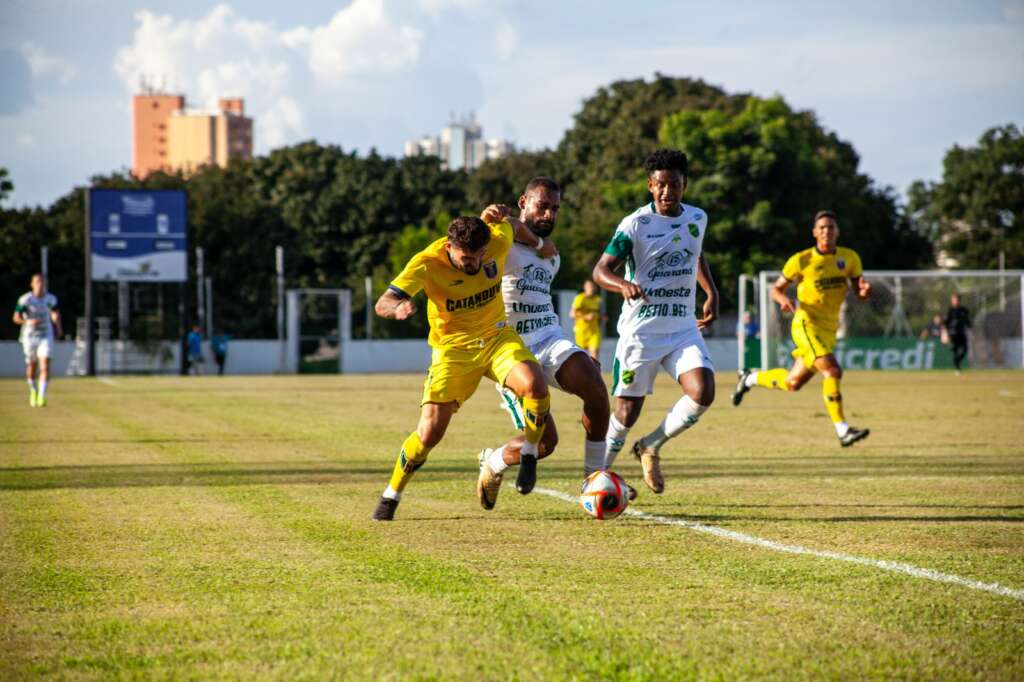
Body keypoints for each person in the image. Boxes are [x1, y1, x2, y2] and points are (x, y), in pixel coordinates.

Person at [371, 214, 555, 521]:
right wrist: (398, 307)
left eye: (478, 256)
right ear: (449, 246)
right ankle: (392, 493)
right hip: (453, 352)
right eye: (465, 258)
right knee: (429, 434)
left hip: (497, 338)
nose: (473, 264)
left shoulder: (496, 239)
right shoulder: (427, 262)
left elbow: (512, 224)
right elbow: (383, 302)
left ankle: (529, 454)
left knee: (535, 383)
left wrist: (538, 243)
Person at [477, 178, 621, 510]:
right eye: (542, 205)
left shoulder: (552, 256)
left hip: (549, 338)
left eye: (554, 208)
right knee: (544, 444)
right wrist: (495, 222)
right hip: (509, 351)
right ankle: (494, 462)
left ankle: (593, 478)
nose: (549, 213)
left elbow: (540, 300)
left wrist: (540, 244)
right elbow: (491, 233)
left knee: (597, 392)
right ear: (523, 201)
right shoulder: (502, 243)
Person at [592, 148, 719, 494]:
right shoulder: (635, 224)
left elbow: (695, 255)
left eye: (674, 185)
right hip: (641, 331)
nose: (667, 192)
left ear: (684, 185)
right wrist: (623, 284)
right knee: (626, 412)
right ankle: (596, 476)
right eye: (661, 185)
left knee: (703, 391)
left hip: (681, 327)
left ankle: (651, 445)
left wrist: (710, 292)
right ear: (650, 185)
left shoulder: (697, 218)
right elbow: (601, 270)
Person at [731, 211, 872, 447]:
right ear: (815, 232)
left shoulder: (850, 259)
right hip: (806, 324)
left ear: (837, 232)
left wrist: (865, 292)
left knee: (792, 383)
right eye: (822, 227)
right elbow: (775, 289)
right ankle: (843, 430)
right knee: (833, 371)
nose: (827, 231)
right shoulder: (801, 260)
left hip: (828, 329)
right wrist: (782, 299)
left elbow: (859, 290)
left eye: (831, 227)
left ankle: (749, 378)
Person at [13, 273, 62, 407]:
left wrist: (58, 326)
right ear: (32, 284)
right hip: (29, 336)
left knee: (45, 364)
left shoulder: (50, 299)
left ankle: (41, 396)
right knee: (32, 366)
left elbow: (55, 313)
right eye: (37, 282)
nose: (40, 285)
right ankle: (33, 391)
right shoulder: (25, 300)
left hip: (46, 334)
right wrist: (28, 321)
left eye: (42, 282)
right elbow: (16, 318)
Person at [570, 280, 604, 361]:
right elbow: (571, 315)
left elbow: (598, 314)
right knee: (582, 356)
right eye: (589, 287)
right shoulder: (580, 298)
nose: (591, 288)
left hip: (594, 331)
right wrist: (585, 317)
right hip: (581, 331)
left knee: (595, 353)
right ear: (585, 288)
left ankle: (596, 373)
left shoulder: (598, 299)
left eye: (593, 286)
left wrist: (601, 317)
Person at [945, 293, 971, 373]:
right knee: (955, 351)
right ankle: (957, 368)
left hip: (961, 332)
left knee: (965, 349)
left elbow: (967, 321)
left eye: (955, 299)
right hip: (953, 333)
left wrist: (970, 326)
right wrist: (946, 334)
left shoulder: (964, 310)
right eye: (953, 299)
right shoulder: (950, 310)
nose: (954, 301)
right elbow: (946, 322)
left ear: (959, 300)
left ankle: (958, 362)